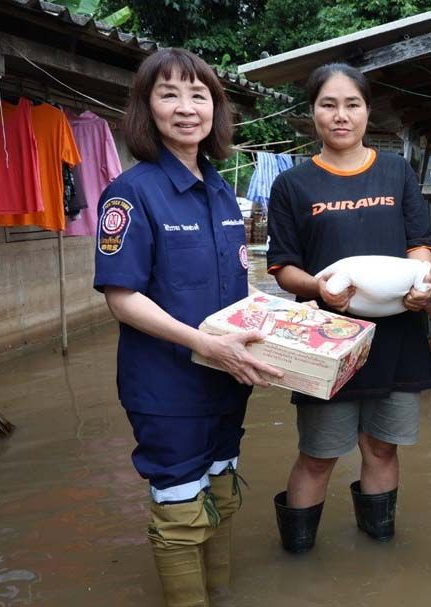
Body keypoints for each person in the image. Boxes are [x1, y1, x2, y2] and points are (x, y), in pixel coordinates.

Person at [93, 48, 282, 606]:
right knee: (179, 508)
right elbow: (123, 298)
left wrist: (281, 317)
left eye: (198, 95)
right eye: (168, 94)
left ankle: (218, 593)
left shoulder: (222, 190)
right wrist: (206, 344)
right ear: (145, 109)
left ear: (215, 109)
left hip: (227, 379)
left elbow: (237, 283)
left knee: (221, 491)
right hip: (167, 385)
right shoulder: (131, 192)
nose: (185, 108)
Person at [266, 63, 431, 551]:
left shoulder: (395, 171)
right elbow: (283, 266)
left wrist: (423, 280)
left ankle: (378, 547)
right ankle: (298, 555)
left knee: (382, 446)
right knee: (319, 454)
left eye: (352, 104)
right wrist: (319, 290)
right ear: (313, 112)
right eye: (328, 104)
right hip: (325, 341)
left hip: (396, 333)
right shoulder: (293, 185)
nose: (341, 116)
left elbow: (420, 244)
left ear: (367, 111)